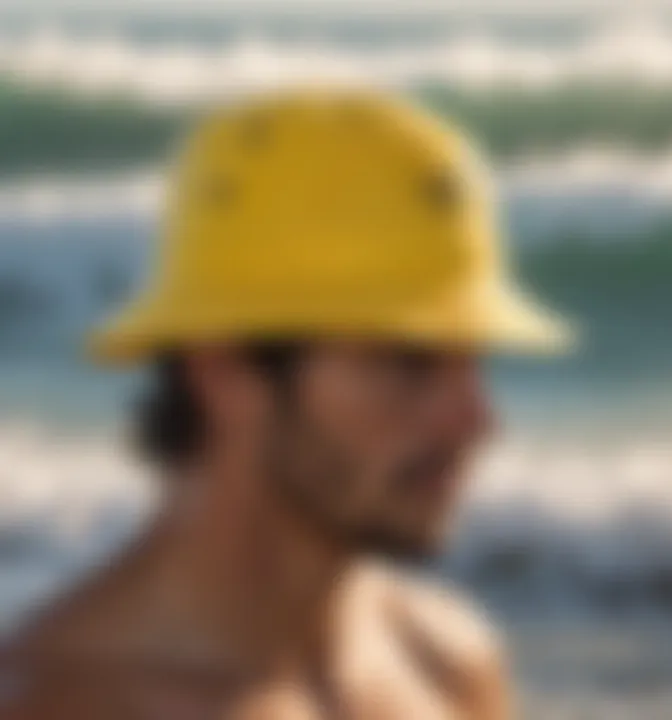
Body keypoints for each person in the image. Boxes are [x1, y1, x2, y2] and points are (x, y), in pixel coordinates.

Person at [1, 88, 570, 719]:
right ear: (224, 373)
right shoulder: (60, 703)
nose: (476, 420)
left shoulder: (448, 663)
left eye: (475, 362)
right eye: (409, 363)